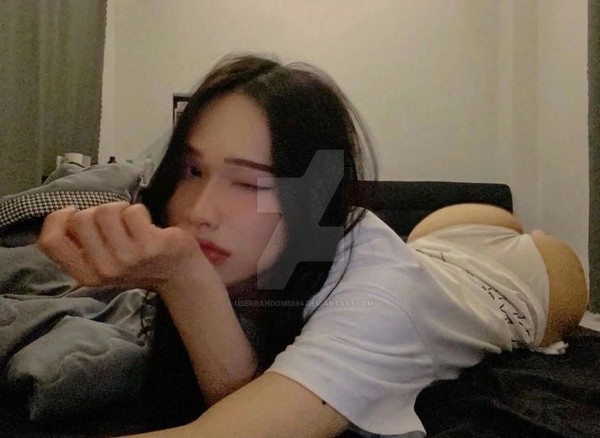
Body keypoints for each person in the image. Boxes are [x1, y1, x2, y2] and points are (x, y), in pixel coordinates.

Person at [36, 54, 589, 438]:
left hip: (523, 279)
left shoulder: (378, 305)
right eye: (193, 169)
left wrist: (187, 279)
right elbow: (242, 399)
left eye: (249, 183)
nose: (200, 211)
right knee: (420, 248)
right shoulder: (267, 250)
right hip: (433, 245)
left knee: (513, 245)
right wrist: (181, 273)